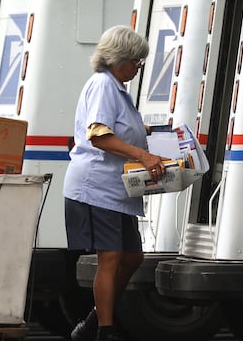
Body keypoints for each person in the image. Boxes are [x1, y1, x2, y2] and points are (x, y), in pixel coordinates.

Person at [64, 25, 166, 341]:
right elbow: (98, 135)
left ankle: (94, 321)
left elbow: (118, 128)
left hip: (117, 189)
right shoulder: (103, 86)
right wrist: (144, 156)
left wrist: (150, 131)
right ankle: (104, 331)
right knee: (111, 258)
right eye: (136, 61)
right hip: (97, 186)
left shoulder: (117, 88)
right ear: (118, 59)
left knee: (133, 256)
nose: (138, 68)